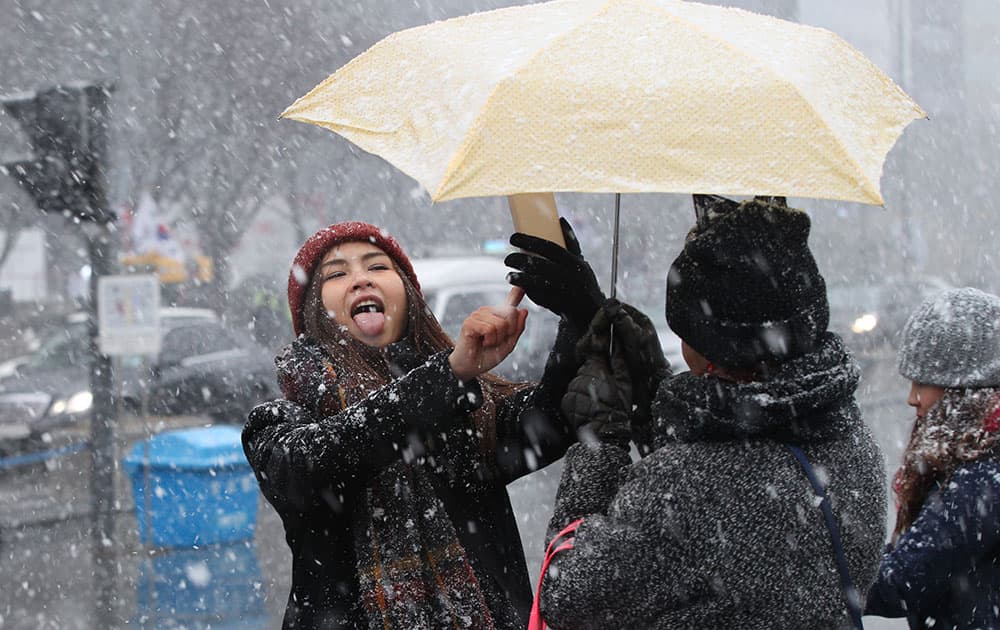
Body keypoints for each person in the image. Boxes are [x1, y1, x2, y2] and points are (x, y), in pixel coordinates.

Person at [534, 196, 887, 629]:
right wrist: (656, 387)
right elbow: (728, 490)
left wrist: (599, 444)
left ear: (710, 351)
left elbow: (567, 594)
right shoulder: (852, 444)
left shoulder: (686, 486)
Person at [242, 220, 603, 629]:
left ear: (409, 299)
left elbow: (559, 415)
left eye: (378, 267)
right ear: (313, 313)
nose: (361, 280)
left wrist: (579, 311)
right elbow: (311, 466)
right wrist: (447, 376)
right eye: (338, 274)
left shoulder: (466, 409)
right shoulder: (278, 423)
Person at [865, 287, 1000, 629]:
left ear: (965, 390)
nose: (912, 398)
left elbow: (900, 584)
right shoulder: (984, 464)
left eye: (922, 382)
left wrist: (828, 568)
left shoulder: (981, 480)